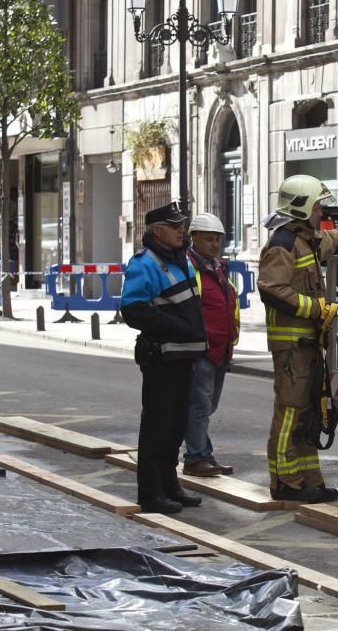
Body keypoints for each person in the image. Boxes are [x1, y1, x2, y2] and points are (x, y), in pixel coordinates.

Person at [258, 175, 338, 503]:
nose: (321, 212)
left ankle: (308, 481)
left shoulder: (306, 240)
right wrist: (316, 308)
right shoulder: (283, 244)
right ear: (301, 207)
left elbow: (333, 240)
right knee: (289, 413)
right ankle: (284, 482)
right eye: (317, 205)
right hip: (291, 347)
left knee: (306, 414)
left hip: (306, 345)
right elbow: (271, 289)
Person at [121, 202, 207, 514]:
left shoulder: (181, 259)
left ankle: (170, 485)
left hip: (184, 357)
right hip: (162, 357)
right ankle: (150, 492)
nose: (181, 230)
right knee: (157, 427)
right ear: (157, 231)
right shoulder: (146, 263)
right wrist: (177, 328)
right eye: (174, 226)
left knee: (176, 427)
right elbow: (133, 309)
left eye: (181, 224)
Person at [182, 213, 239, 477]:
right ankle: (195, 457)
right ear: (193, 238)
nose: (214, 244)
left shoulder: (216, 266)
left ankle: (203, 453)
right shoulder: (188, 267)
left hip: (220, 350)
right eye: (209, 239)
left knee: (207, 407)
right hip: (202, 350)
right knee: (200, 407)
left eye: (217, 239)